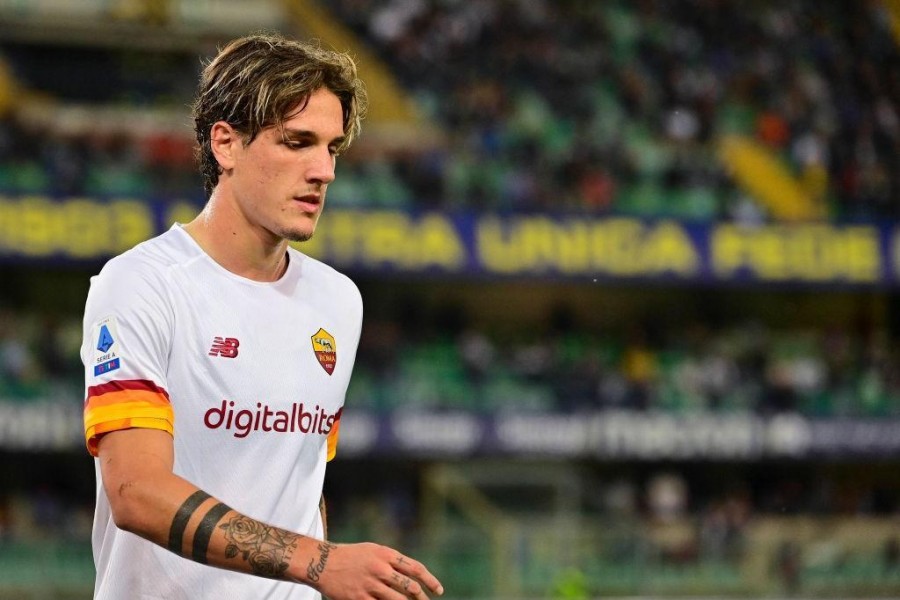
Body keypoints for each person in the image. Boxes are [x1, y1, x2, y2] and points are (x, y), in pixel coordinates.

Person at [80, 33, 444, 600]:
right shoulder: (143, 285)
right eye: (297, 142)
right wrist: (320, 563)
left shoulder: (338, 301)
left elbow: (300, 479)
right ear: (225, 143)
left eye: (332, 148)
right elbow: (136, 492)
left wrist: (322, 577)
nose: (323, 170)